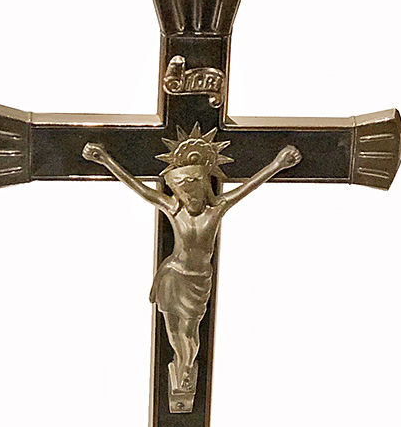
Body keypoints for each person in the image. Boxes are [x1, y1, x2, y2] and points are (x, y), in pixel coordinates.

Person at [83, 124, 301, 411]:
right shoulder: (173, 210)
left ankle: (186, 366)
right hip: (173, 275)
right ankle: (180, 364)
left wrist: (277, 165)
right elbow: (140, 189)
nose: (190, 198)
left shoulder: (217, 208)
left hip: (198, 281)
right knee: (173, 330)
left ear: (203, 187)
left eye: (194, 191)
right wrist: (106, 160)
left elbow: (248, 187)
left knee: (190, 331)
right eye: (184, 193)